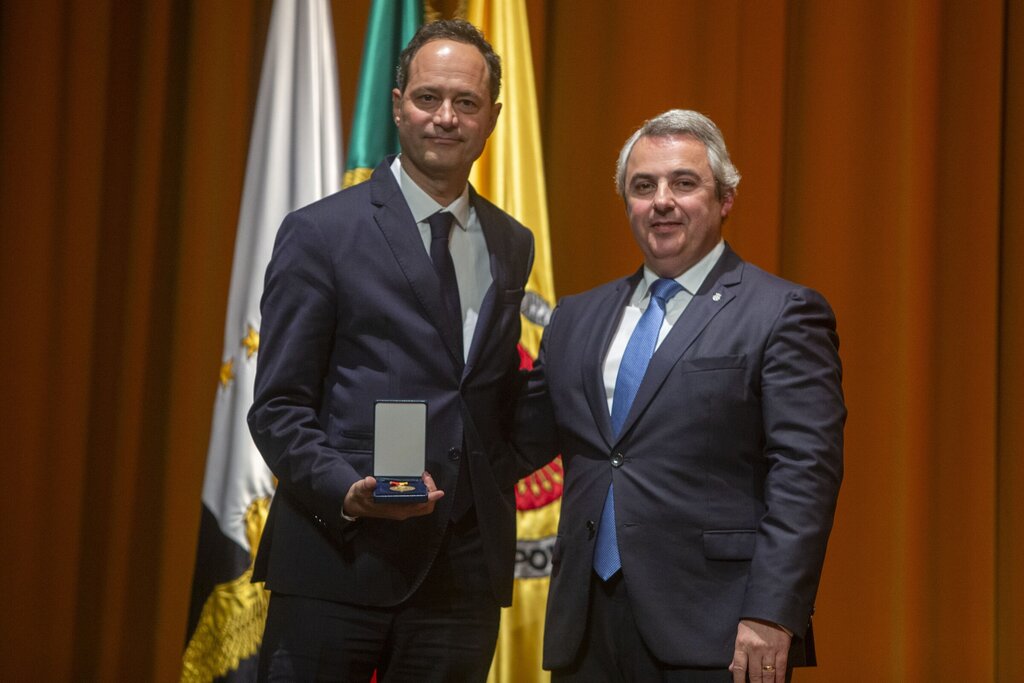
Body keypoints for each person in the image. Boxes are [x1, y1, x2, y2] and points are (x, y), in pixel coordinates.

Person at [247, 19, 534, 682]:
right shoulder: (321, 232)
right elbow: (278, 406)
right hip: (336, 562)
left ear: (492, 118)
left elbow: (489, 396)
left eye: (465, 102)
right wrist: (346, 491)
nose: (446, 117)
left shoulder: (512, 243)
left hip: (460, 580)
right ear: (398, 104)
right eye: (429, 97)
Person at [513, 109, 845, 682]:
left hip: (720, 628)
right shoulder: (574, 318)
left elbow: (805, 474)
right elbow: (514, 442)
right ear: (627, 203)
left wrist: (773, 611)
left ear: (725, 198)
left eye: (683, 182)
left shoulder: (783, 313)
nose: (661, 201)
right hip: (585, 627)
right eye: (643, 186)